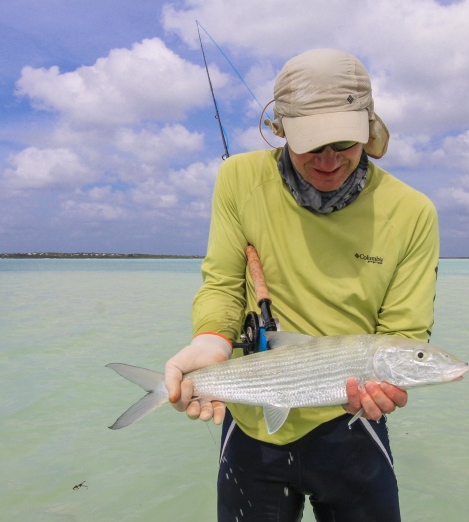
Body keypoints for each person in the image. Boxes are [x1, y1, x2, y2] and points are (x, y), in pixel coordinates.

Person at [165, 48, 439, 521]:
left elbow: (405, 334)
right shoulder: (238, 179)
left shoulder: (413, 212)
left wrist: (387, 388)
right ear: (281, 129)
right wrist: (211, 340)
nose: (329, 161)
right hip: (254, 418)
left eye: (345, 143)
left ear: (368, 129)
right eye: (311, 144)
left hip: (351, 423)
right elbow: (223, 284)